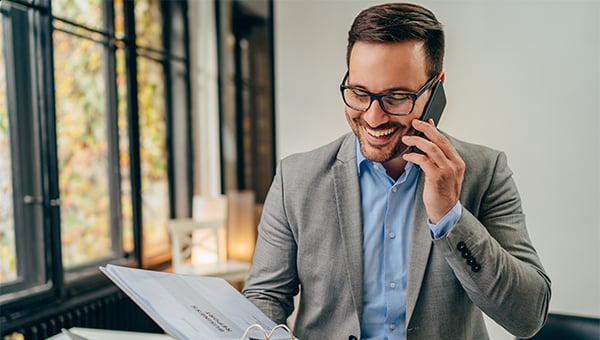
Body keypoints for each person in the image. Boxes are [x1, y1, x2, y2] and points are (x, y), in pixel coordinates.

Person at [242, 3, 551, 339]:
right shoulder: (296, 179)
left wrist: (450, 217)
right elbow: (264, 299)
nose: (373, 118)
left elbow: (528, 317)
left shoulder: (486, 172)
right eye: (359, 93)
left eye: (397, 97)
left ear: (435, 88)